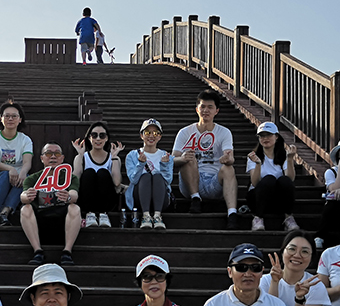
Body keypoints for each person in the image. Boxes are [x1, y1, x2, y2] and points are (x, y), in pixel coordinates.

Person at [173, 90, 240, 228]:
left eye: (210, 107)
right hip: (190, 182)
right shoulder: (185, 132)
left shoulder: (224, 132)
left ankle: (232, 213)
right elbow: (172, 159)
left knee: (229, 168)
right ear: (197, 109)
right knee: (188, 157)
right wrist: (183, 158)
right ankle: (195, 198)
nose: (206, 110)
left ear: (216, 111)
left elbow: (230, 158)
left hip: (214, 182)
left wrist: (227, 159)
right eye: (202, 106)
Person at [20, 142, 81, 266]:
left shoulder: (70, 178)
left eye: (57, 154)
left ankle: (67, 252)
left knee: (75, 208)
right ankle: (37, 251)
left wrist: (68, 196)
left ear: (62, 158)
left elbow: (74, 195)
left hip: (63, 221)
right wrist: (28, 195)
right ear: (42, 158)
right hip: (40, 221)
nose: (53, 157)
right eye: (48, 153)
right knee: (25, 208)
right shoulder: (32, 179)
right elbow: (23, 197)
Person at [0, 100, 33, 227]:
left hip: (17, 183)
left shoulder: (25, 140)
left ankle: (5, 213)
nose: (10, 119)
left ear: (20, 119)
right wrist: (11, 169)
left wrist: (23, 172)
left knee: (26, 178)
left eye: (14, 116)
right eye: (7, 116)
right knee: (6, 174)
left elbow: (27, 162)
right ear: (1, 118)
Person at [246, 122, 299, 232]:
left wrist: (290, 159)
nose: (265, 139)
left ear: (276, 136)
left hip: (278, 201)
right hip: (257, 199)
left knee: (283, 180)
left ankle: (288, 217)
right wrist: (258, 164)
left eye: (269, 135)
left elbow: (290, 179)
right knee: (269, 179)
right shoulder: (253, 156)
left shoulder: (284, 155)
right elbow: (255, 183)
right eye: (262, 136)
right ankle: (258, 218)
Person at [72, 121, 122, 228]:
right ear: (89, 138)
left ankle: (104, 214)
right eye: (94, 135)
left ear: (106, 138)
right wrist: (80, 155)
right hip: (86, 200)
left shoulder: (113, 158)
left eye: (102, 135)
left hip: (107, 201)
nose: (98, 139)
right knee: (89, 173)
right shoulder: (83, 157)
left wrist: (114, 158)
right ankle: (90, 214)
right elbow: (75, 180)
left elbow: (117, 182)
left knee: (103, 173)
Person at [126, 118, 173, 229]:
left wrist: (164, 166)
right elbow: (133, 180)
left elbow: (168, 181)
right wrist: (140, 164)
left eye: (156, 133)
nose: (151, 136)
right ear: (141, 135)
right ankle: (146, 216)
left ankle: (157, 216)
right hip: (139, 197)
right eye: (147, 133)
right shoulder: (132, 155)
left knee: (157, 176)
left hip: (161, 198)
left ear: (160, 136)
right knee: (145, 176)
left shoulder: (166, 156)